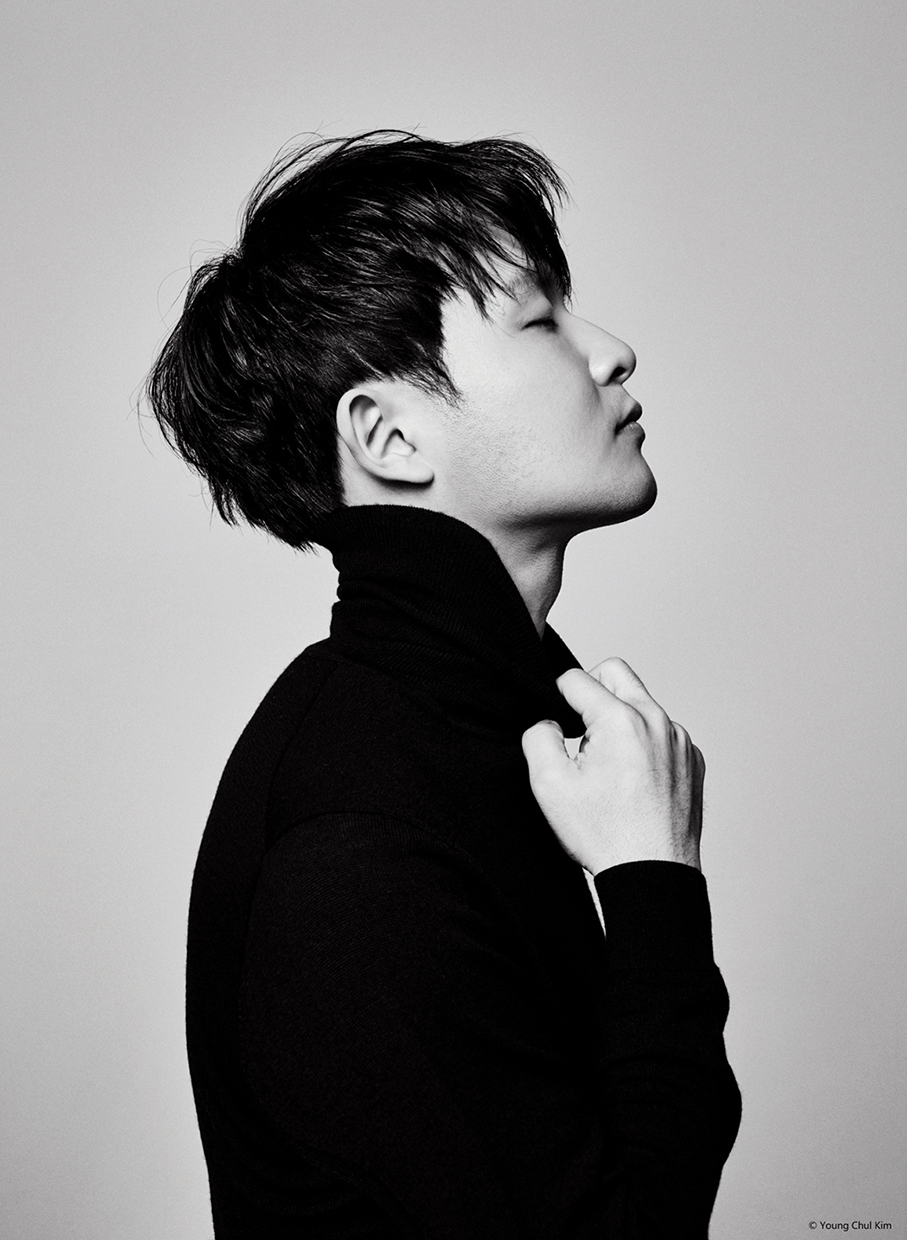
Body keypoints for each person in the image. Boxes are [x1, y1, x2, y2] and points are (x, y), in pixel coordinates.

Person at [147, 130, 741, 1238]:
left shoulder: (475, 723)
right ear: (387, 433)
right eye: (539, 320)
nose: (613, 353)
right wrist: (653, 883)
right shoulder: (357, 839)